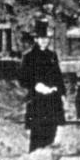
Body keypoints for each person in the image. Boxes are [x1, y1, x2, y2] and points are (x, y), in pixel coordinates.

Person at [19, 19, 65, 151]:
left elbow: (58, 75)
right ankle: (35, 155)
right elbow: (23, 78)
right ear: (36, 39)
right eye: (41, 38)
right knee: (38, 130)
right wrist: (36, 86)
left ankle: (47, 154)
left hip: (52, 98)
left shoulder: (52, 55)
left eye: (46, 38)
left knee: (52, 129)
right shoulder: (29, 56)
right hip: (37, 99)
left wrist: (60, 91)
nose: (44, 41)